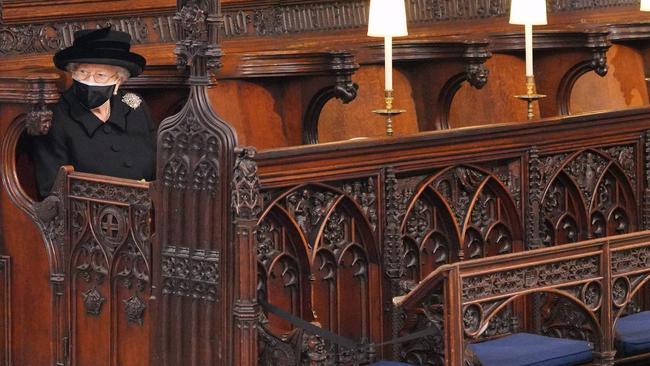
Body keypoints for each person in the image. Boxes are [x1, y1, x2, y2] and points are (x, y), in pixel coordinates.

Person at [32, 27, 156, 198]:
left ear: (118, 82)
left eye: (100, 75)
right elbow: (52, 192)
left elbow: (158, 167)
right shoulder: (55, 116)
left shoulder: (134, 104)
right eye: (82, 73)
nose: (89, 82)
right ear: (72, 73)